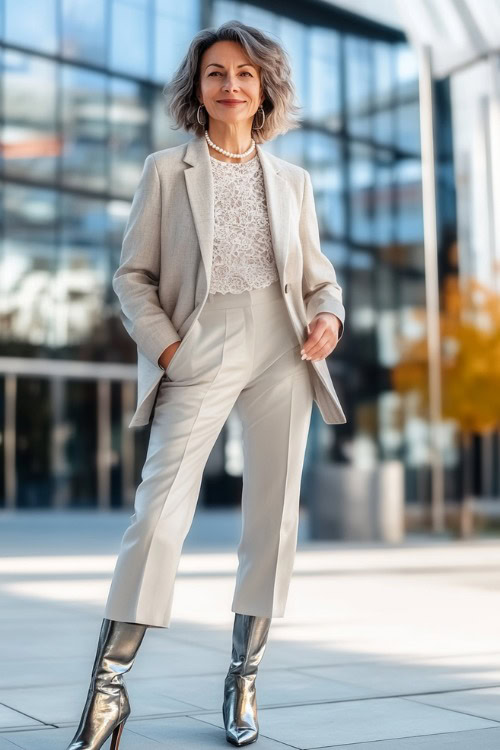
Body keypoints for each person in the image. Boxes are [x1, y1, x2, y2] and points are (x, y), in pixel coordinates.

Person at [65, 19, 346, 750]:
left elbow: (320, 279)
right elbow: (132, 275)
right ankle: (107, 691)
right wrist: (166, 350)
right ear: (199, 87)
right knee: (157, 514)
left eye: (245, 74)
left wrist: (329, 317)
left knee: (272, 519)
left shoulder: (294, 181)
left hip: (284, 351)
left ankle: (244, 678)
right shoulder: (167, 170)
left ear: (264, 89)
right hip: (200, 345)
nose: (231, 84)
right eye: (217, 72)